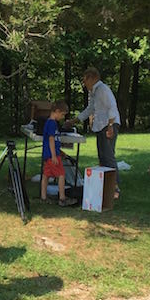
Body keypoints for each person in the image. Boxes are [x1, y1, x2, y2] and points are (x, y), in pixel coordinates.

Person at [75, 67, 120, 195]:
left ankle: (115, 188)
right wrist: (75, 120)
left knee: (108, 156)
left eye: (85, 80)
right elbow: (90, 109)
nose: (84, 84)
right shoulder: (93, 92)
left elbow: (112, 106)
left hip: (108, 124)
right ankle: (106, 185)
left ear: (92, 78)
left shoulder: (103, 90)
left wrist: (111, 126)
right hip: (100, 126)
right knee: (102, 157)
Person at [41, 100, 76, 206]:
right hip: (52, 156)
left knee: (46, 175)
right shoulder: (52, 123)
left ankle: (43, 197)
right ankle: (62, 198)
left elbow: (52, 141)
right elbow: (51, 140)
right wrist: (54, 156)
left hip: (49, 154)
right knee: (61, 175)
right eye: (62, 115)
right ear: (56, 111)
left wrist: (60, 152)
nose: (62, 117)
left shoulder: (50, 123)